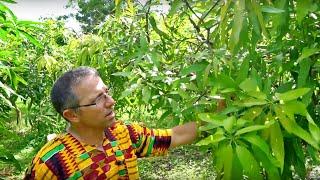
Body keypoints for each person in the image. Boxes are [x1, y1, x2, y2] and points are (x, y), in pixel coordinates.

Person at [24, 66, 197, 180]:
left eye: (106, 92)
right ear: (72, 115)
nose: (111, 101)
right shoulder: (51, 164)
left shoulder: (123, 134)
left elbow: (174, 136)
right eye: (99, 98)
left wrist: (217, 121)